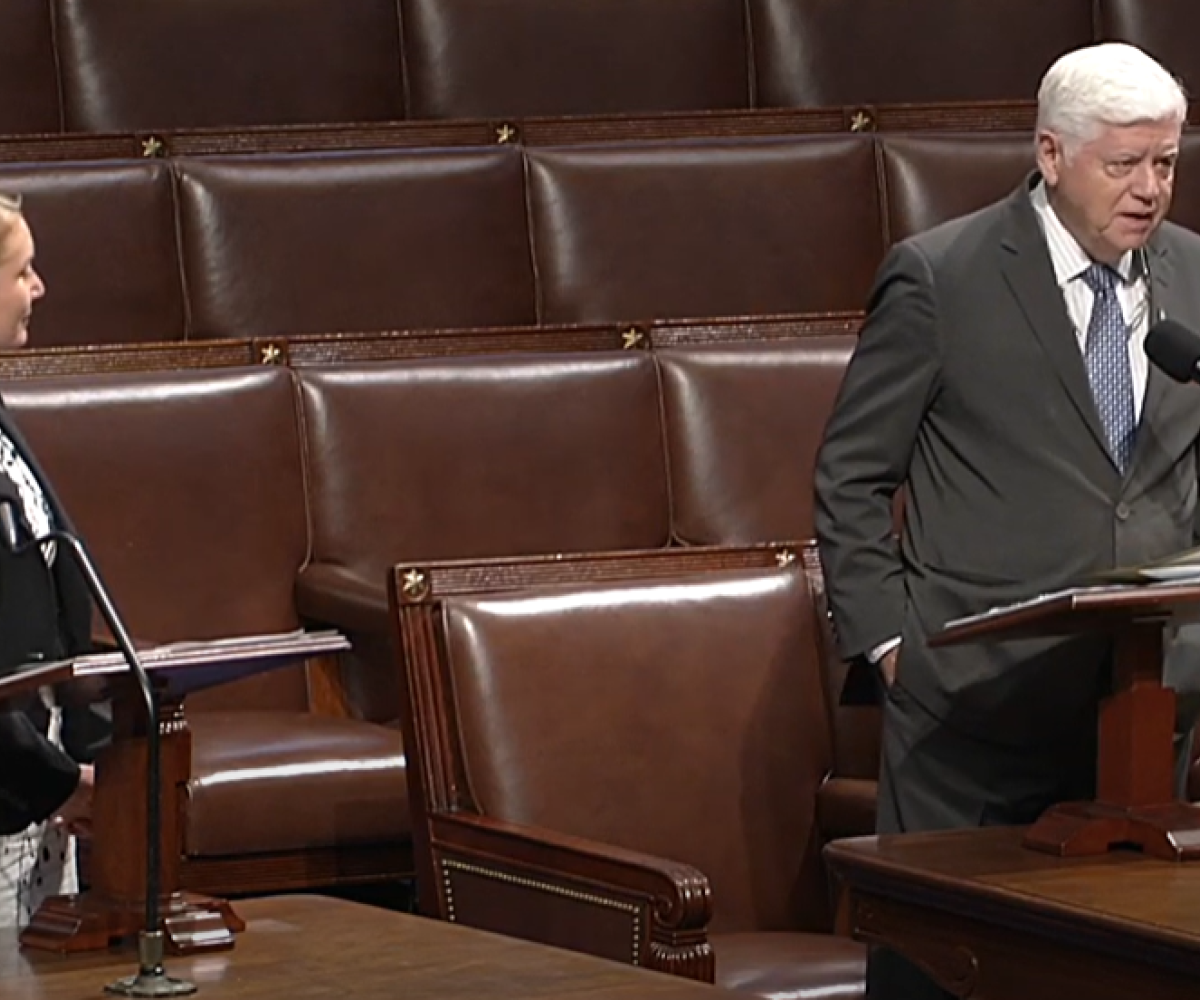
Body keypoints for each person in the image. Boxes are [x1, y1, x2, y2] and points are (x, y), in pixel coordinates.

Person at [814, 43, 1200, 1000]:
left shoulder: (1195, 273)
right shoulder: (942, 277)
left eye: (1165, 162)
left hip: (1148, 710)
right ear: (1051, 153)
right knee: (944, 977)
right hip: (974, 709)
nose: (1150, 189)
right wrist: (894, 645)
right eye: (1124, 164)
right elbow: (852, 475)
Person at [0, 192, 107, 928]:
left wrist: (82, 757)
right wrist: (51, 780)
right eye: (22, 271)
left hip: (34, 801)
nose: (39, 288)